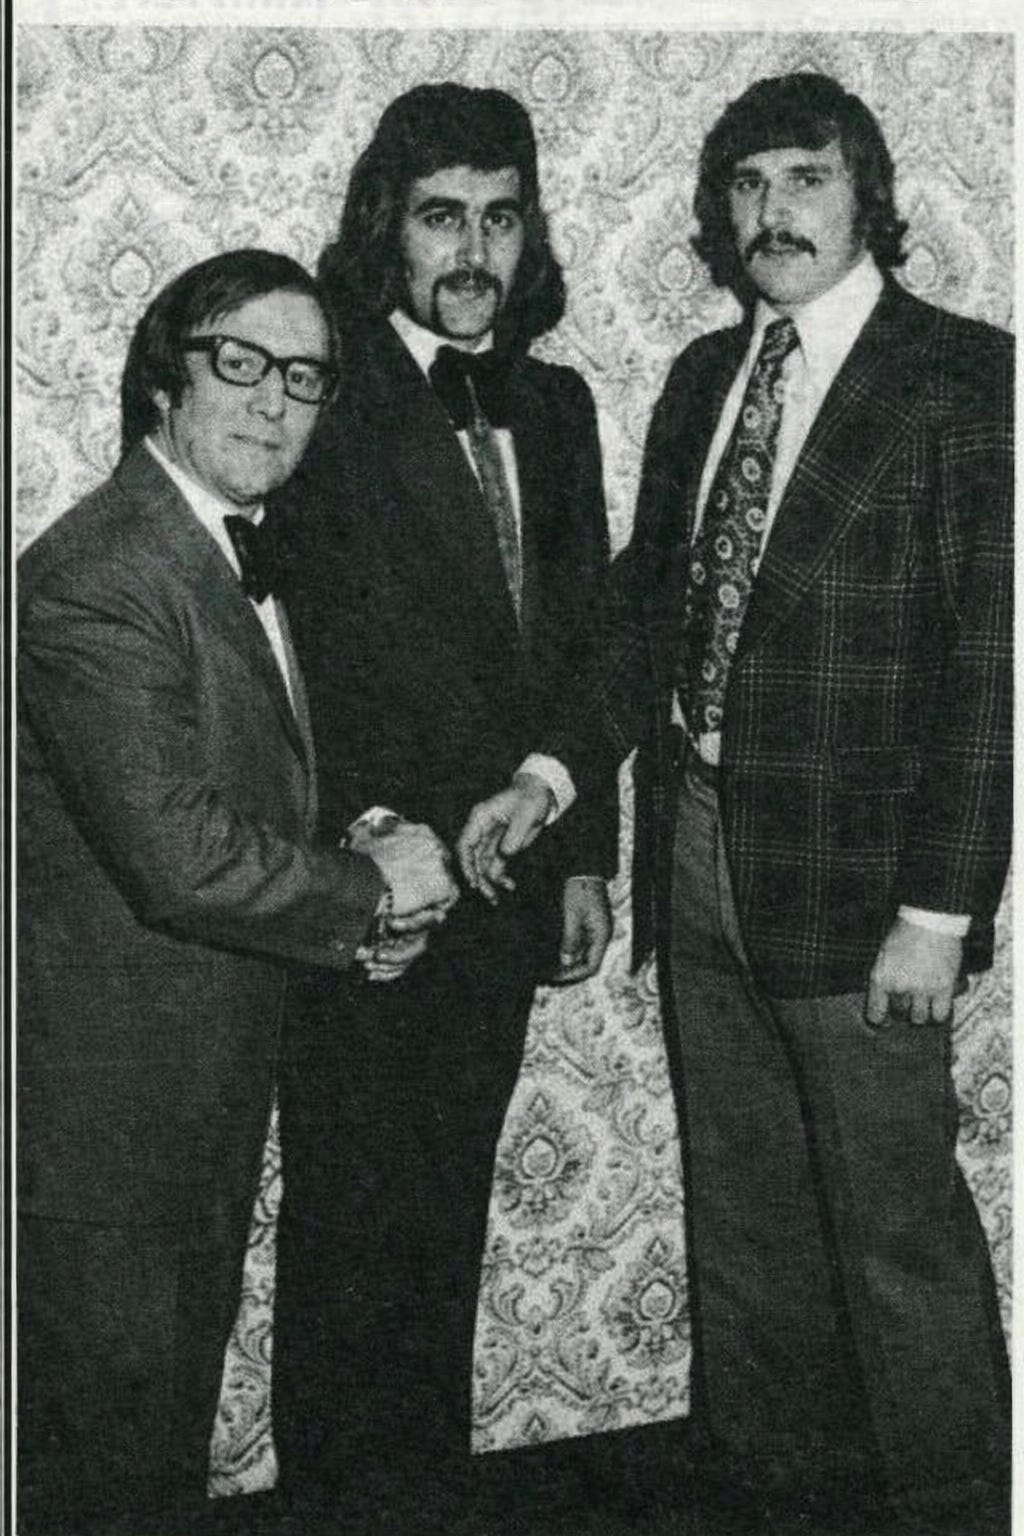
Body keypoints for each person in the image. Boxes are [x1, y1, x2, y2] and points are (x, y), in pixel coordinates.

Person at [459, 73, 1012, 1536]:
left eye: (805, 180)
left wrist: (940, 913)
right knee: (749, 1224)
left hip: (869, 883)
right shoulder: (711, 377)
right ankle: (777, 1503)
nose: (773, 215)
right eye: (748, 187)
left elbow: (993, 669)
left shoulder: (968, 379)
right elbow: (650, 608)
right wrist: (552, 770)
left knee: (897, 1240)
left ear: (867, 195)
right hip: (698, 849)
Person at [17, 248, 457, 1536]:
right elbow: (181, 856)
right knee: (103, 1466)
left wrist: (355, 834)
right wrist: (368, 894)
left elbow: (229, 781)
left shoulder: (222, 547)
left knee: (153, 1445)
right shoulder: (103, 571)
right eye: (241, 363)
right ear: (167, 378)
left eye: (305, 378)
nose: (274, 402)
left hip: (186, 1092)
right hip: (103, 1116)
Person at [269, 84, 618, 1532]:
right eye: (438, 217)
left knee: (445, 1229)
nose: (472, 247)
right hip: (363, 897)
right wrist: (354, 849)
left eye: (499, 214)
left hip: (512, 888)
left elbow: (591, 638)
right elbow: (273, 647)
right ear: (386, 230)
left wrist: (582, 848)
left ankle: (421, 1500)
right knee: (351, 1234)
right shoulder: (320, 387)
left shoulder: (557, 397)